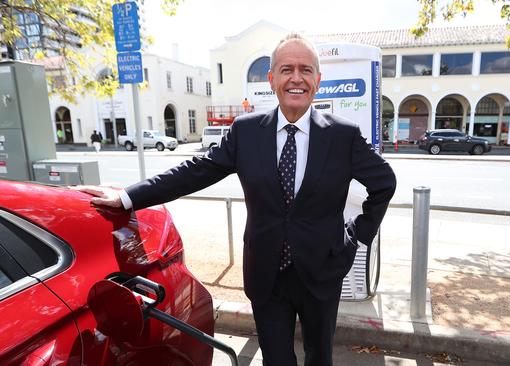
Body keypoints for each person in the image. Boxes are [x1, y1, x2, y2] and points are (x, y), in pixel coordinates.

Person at [74, 33, 396, 365]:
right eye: (286, 69)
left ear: (318, 79)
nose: (296, 78)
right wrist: (128, 197)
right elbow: (195, 170)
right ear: (272, 79)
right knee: (276, 360)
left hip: (322, 270)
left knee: (319, 358)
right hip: (267, 274)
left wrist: (356, 237)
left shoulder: (343, 135)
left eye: (305, 69)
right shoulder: (246, 131)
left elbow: (384, 183)